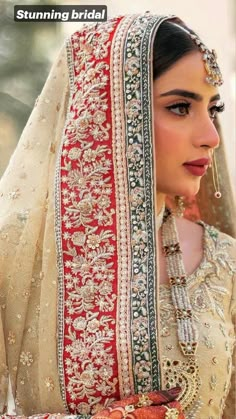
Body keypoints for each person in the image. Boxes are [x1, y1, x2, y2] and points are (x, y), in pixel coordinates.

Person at [0, 12, 235, 419]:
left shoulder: (226, 263)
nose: (211, 136)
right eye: (180, 107)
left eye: (213, 109)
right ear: (109, 110)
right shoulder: (16, 254)